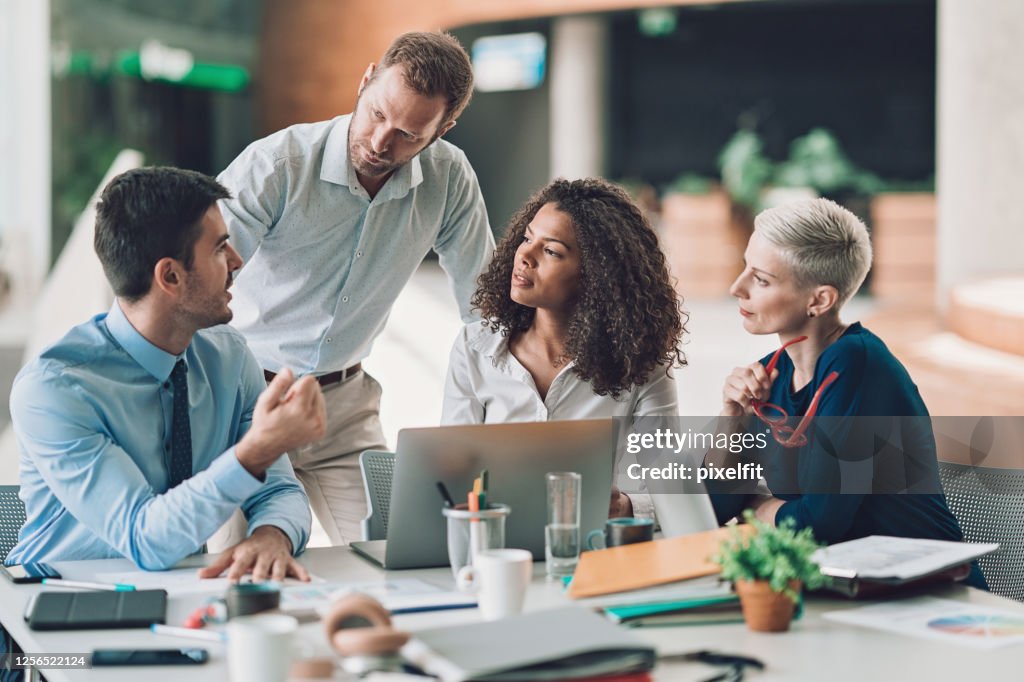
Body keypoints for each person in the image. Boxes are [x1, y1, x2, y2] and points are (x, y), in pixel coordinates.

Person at [218, 31, 495, 545]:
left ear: (443, 129)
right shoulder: (278, 165)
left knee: (399, 557)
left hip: (343, 412)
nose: (381, 141)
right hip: (241, 402)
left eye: (409, 134)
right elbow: (199, 281)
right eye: (377, 113)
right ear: (366, 80)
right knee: (234, 578)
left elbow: (487, 309)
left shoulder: (450, 179)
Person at [6, 167, 324, 581]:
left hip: (178, 597)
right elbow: (144, 539)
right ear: (170, 276)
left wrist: (272, 534)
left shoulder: (228, 357)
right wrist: (256, 451)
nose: (237, 261)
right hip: (51, 611)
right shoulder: (54, 389)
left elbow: (280, 491)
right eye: (220, 248)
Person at [709, 198, 985, 588]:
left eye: (762, 279)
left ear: (819, 300)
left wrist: (756, 506)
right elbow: (715, 506)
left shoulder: (857, 362)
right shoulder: (773, 372)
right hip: (850, 590)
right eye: (744, 269)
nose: (736, 288)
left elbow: (819, 525)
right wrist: (732, 415)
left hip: (933, 594)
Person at [442, 178, 687, 518]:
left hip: (593, 552)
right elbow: (449, 476)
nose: (524, 255)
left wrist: (627, 507)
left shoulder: (641, 364)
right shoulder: (475, 347)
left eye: (551, 251)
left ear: (596, 276)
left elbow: (671, 488)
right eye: (527, 238)